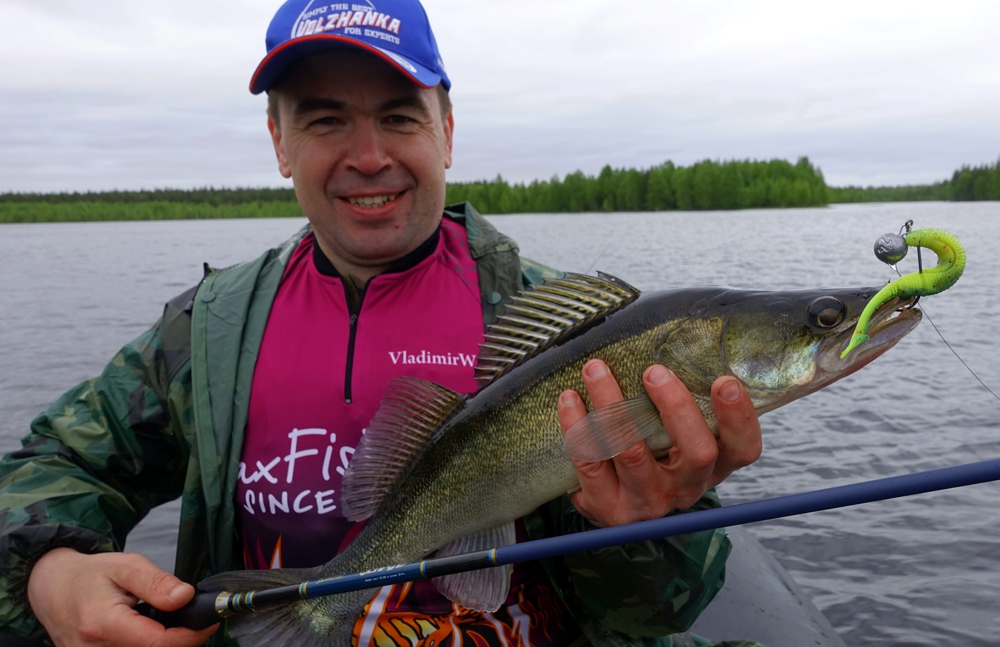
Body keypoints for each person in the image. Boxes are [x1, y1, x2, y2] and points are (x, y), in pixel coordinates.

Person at [0, 1, 763, 646]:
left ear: (447, 131)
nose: (368, 157)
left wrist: (641, 529)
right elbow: (54, 461)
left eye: (399, 116)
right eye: (326, 119)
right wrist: (50, 572)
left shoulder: (568, 330)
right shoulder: (208, 333)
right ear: (279, 143)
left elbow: (657, 611)